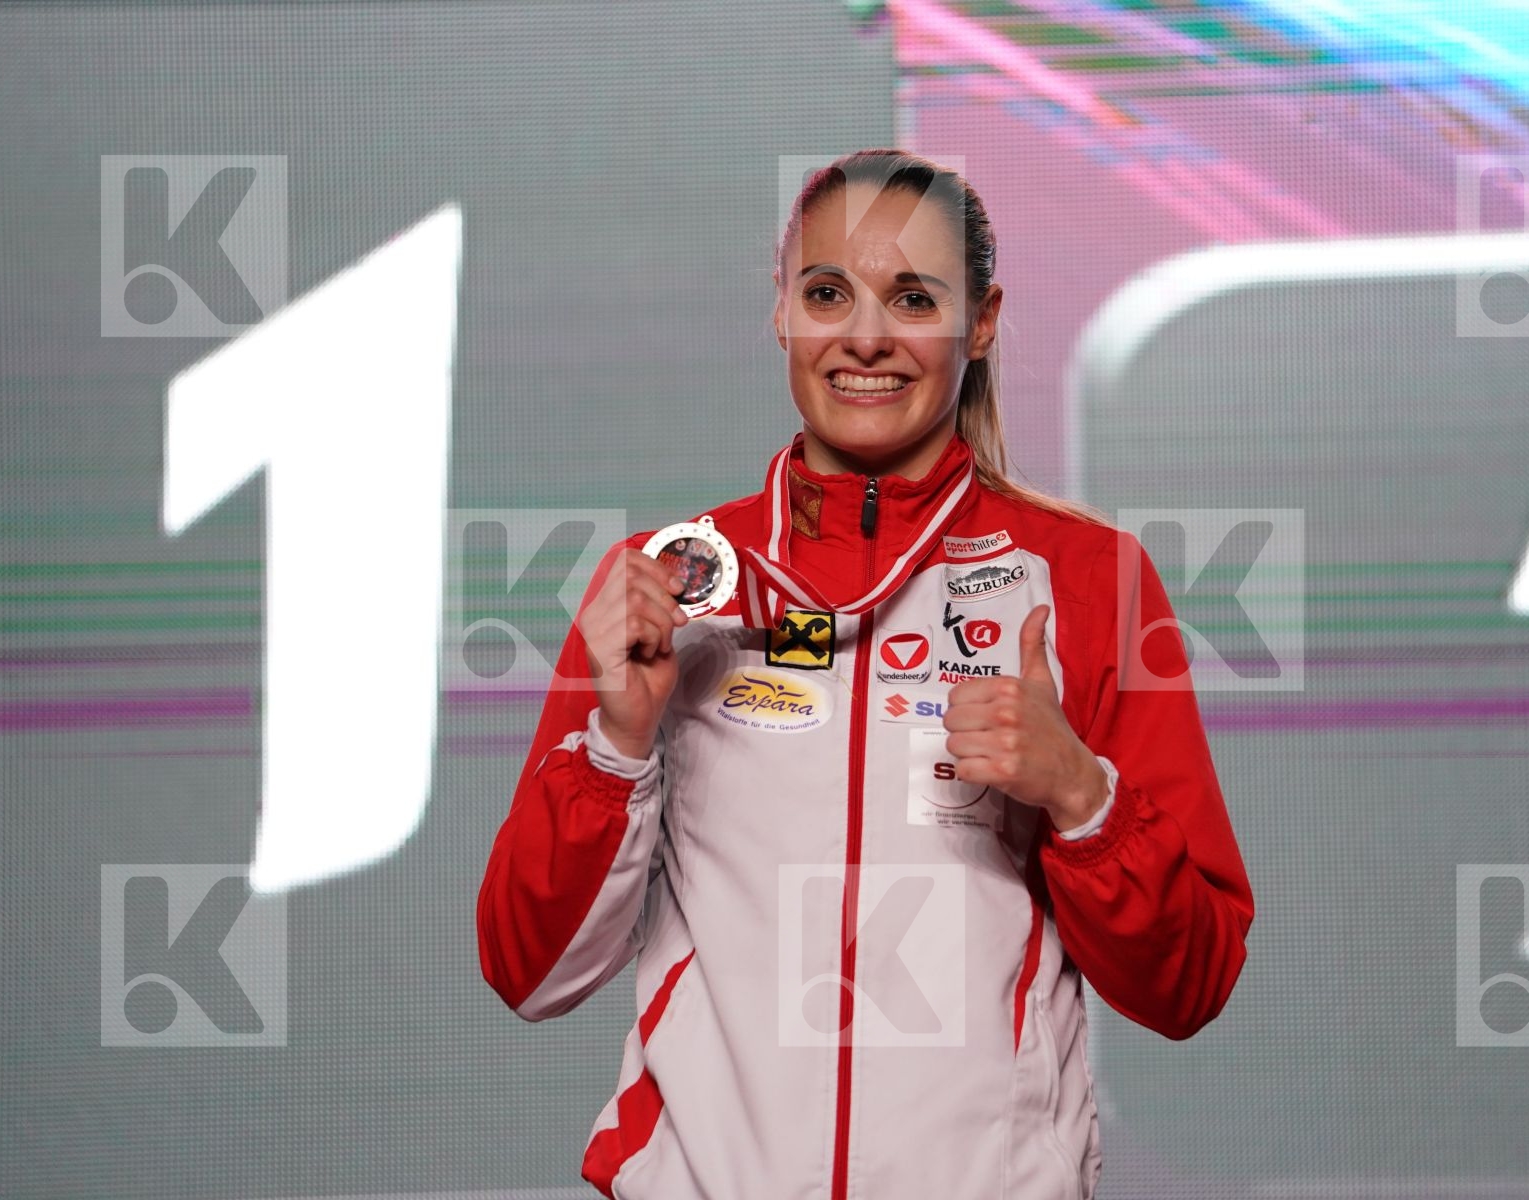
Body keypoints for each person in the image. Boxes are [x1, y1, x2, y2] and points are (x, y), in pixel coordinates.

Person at [477, 150, 1254, 1200]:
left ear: (980, 325)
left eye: (915, 298)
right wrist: (615, 746)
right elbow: (530, 972)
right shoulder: (672, 587)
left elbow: (1191, 982)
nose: (866, 339)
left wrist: (1080, 796)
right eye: (829, 293)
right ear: (785, 314)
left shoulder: (1087, 580)